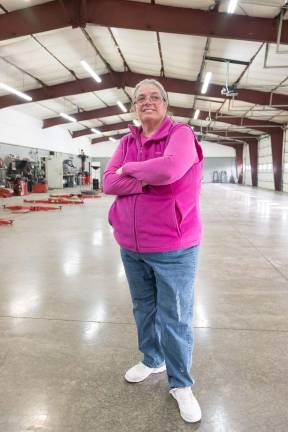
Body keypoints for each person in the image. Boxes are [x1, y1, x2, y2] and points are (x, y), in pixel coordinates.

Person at [103, 79, 203, 423]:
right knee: (143, 307)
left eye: (155, 97)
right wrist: (146, 177)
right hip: (130, 244)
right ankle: (152, 360)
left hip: (173, 246)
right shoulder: (127, 140)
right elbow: (107, 182)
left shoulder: (181, 134)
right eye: (140, 97)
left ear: (165, 103)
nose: (147, 101)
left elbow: (171, 169)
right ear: (134, 106)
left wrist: (128, 170)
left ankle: (181, 384)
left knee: (174, 316)